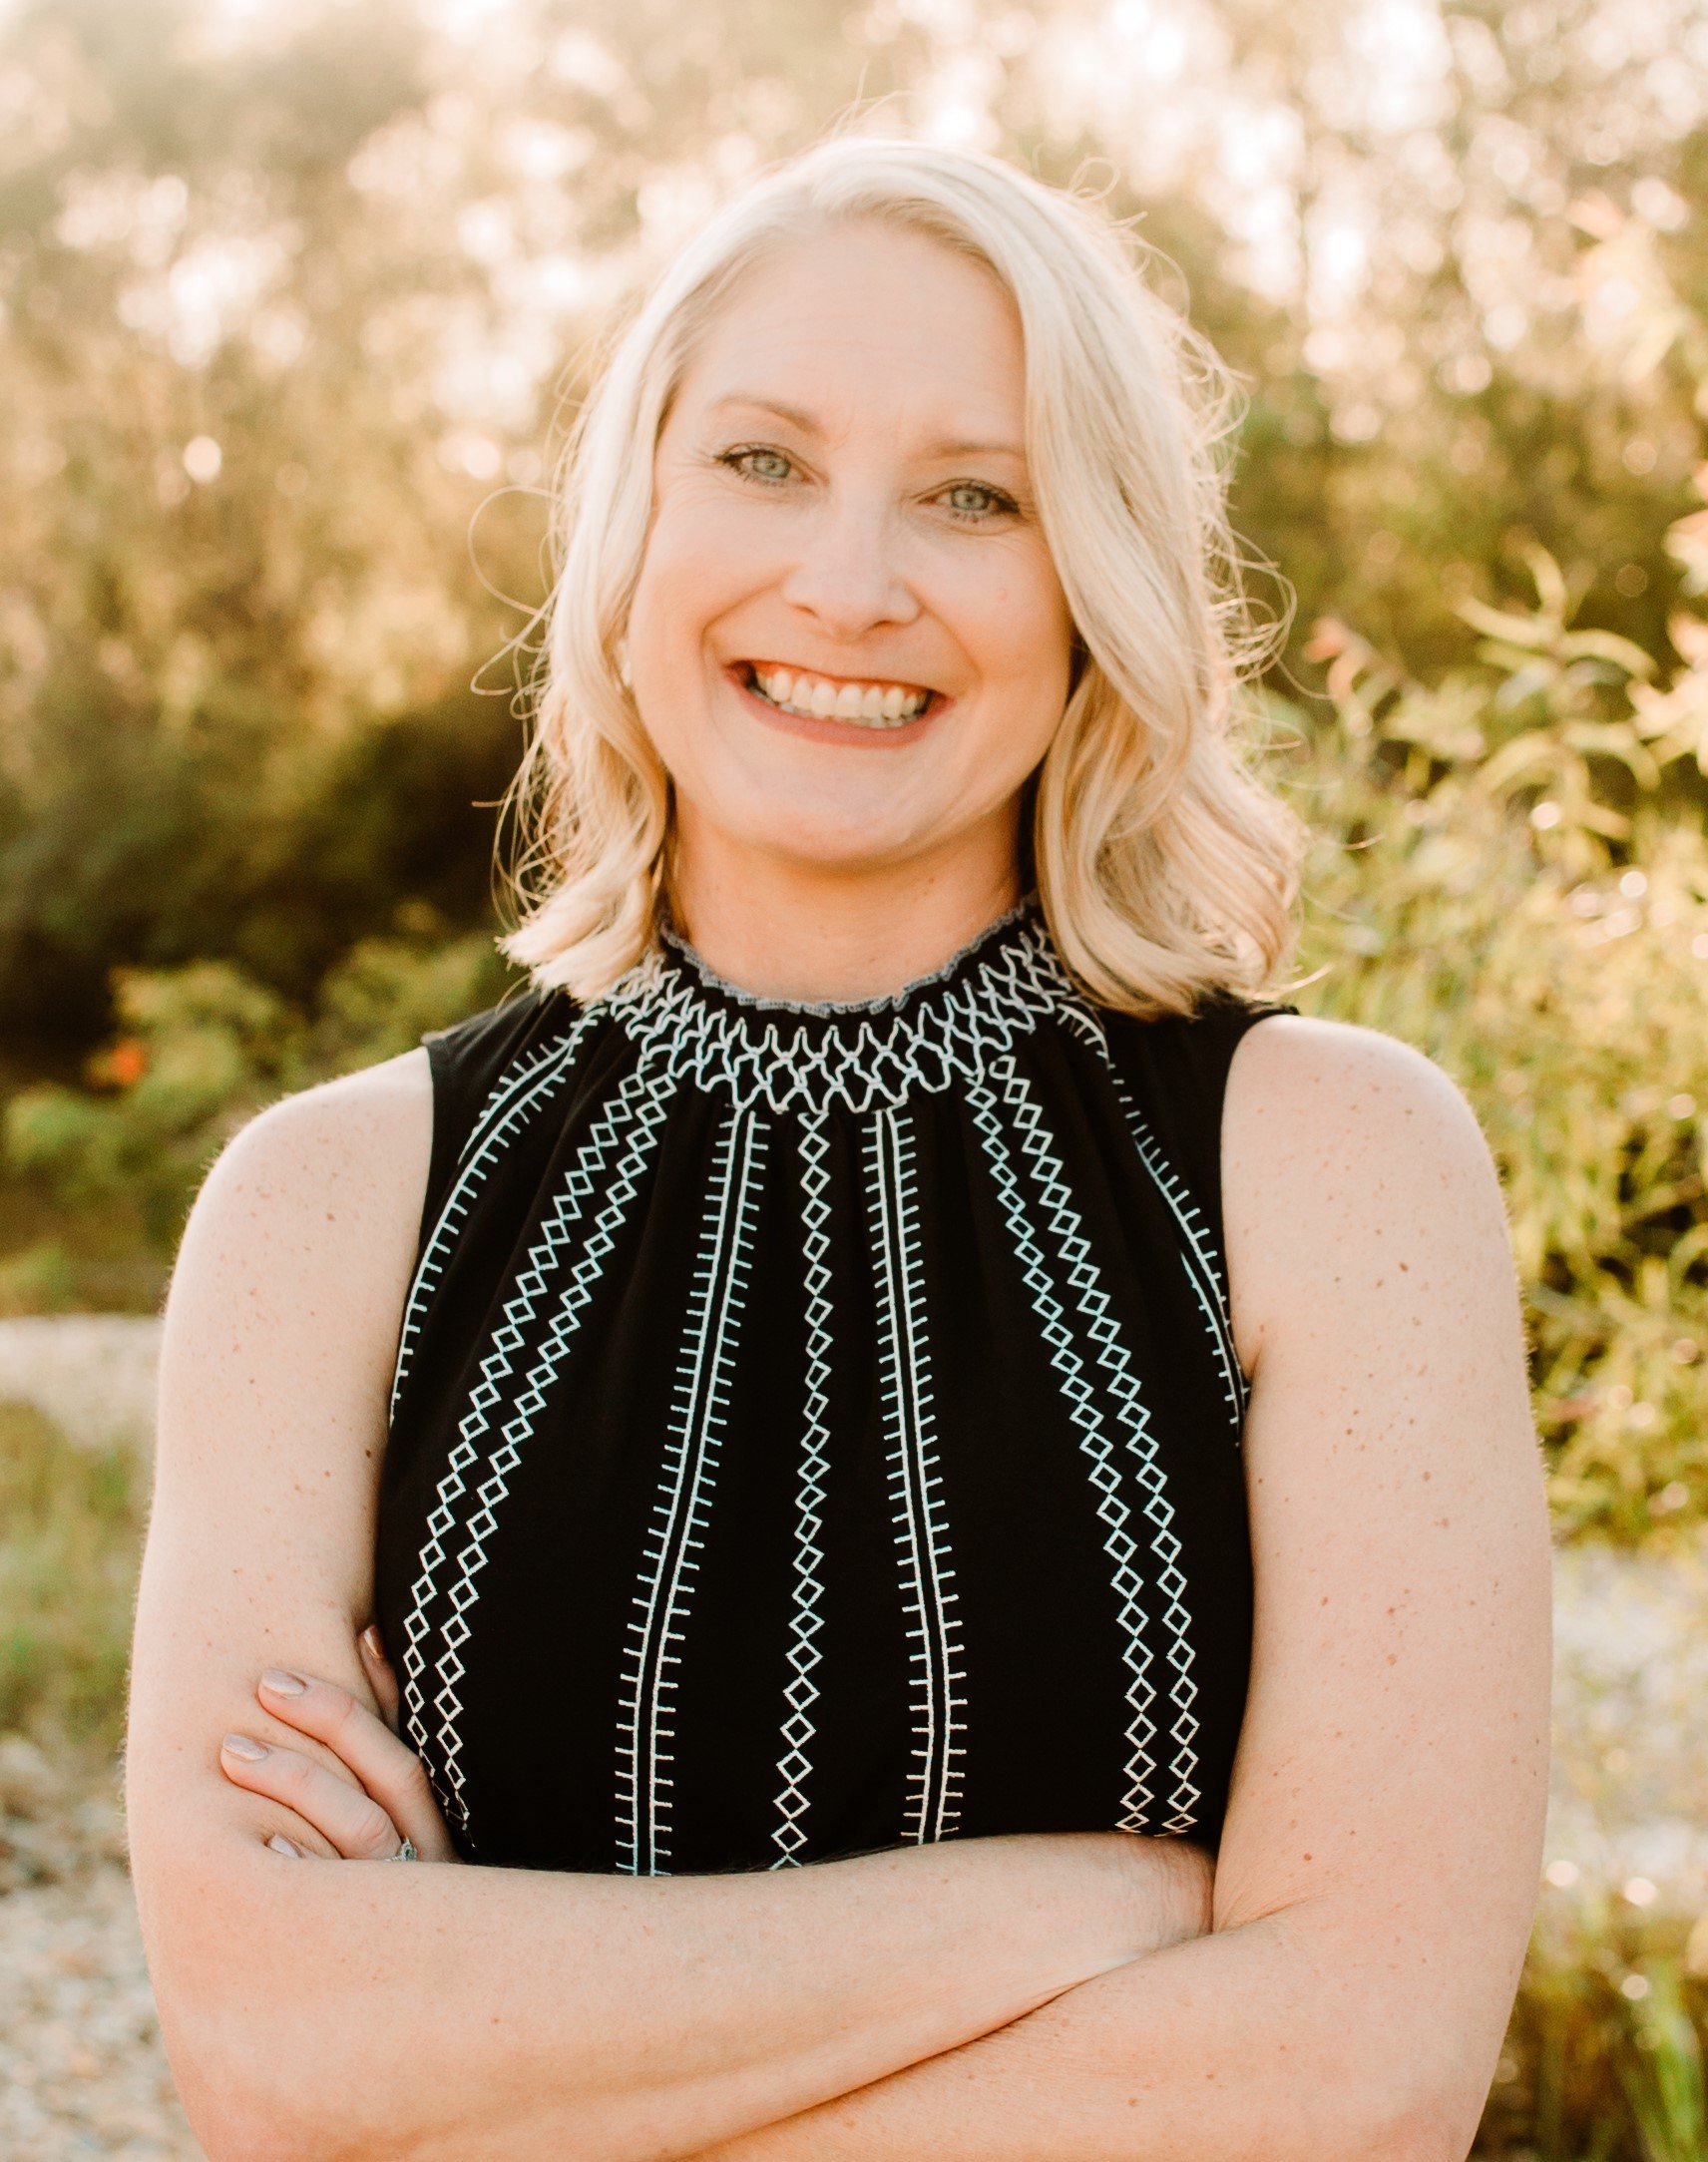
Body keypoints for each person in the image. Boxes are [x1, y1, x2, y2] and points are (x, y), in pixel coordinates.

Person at [125, 131, 1551, 2162]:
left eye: (977, 495)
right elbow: (267, 2056)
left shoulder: (1332, 1172)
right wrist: (1096, 1907)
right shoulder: (324, 1210)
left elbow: (1356, 2076)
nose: (850, 583)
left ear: (1092, 593)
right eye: (762, 462)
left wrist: (488, 2072)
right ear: (627, 526)